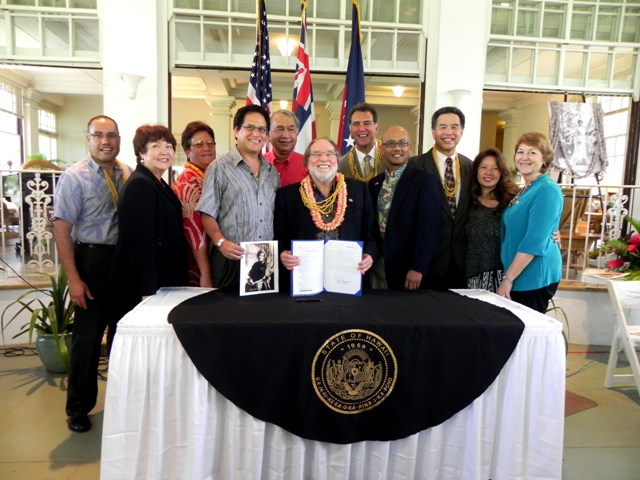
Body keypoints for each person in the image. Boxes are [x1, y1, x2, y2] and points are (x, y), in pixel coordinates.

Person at [53, 115, 133, 433]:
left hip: (122, 263)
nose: (105, 141)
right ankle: (78, 409)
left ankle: (121, 403)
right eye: (98, 135)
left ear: (119, 139)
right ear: (88, 139)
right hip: (91, 261)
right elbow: (62, 228)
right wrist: (74, 279)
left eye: (111, 135)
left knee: (121, 337)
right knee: (86, 341)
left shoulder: (127, 173)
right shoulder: (75, 177)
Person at [274, 137, 377, 290]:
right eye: (316, 154)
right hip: (305, 280)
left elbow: (371, 233)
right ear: (307, 162)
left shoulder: (359, 190)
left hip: (348, 279)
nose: (323, 158)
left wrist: (369, 254)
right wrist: (282, 253)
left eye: (329, 153)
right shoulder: (287, 196)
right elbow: (279, 236)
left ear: (337, 161)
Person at [197, 105, 281, 289]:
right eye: (250, 127)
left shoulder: (272, 172)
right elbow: (206, 213)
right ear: (236, 131)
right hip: (230, 258)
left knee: (264, 307)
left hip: (264, 259)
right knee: (227, 307)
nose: (256, 134)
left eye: (262, 129)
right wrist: (221, 242)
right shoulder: (219, 168)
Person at [112, 124, 188, 311]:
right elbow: (140, 244)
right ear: (141, 152)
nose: (164, 152)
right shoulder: (140, 184)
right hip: (147, 286)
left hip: (163, 279)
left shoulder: (156, 181)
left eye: (168, 146)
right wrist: (147, 292)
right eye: (156, 146)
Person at [368, 126, 441, 290]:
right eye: (390, 143)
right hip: (377, 266)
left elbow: (430, 229)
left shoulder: (425, 181)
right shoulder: (374, 184)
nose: (397, 148)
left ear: (409, 147)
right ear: (382, 149)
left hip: (409, 270)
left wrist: (418, 267)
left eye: (402, 143)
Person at [497, 132, 563, 313]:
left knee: (527, 328)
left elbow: (534, 241)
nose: (524, 157)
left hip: (534, 276)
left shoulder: (547, 189)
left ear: (544, 159)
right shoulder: (527, 188)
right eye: (520, 152)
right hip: (522, 274)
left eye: (532, 152)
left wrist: (508, 279)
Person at [410, 106, 473, 290]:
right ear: (433, 131)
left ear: (461, 132)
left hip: (462, 264)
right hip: (426, 264)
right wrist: (416, 264)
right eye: (443, 127)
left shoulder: (471, 167)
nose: (448, 132)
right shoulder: (415, 166)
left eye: (454, 127)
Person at [465, 148, 519, 292]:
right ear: (476, 171)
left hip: (504, 277)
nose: (489, 172)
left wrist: (554, 234)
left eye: (495, 168)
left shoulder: (513, 200)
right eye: (484, 167)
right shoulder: (466, 200)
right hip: (472, 275)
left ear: (501, 172)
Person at [172, 121, 216, 287]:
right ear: (187, 151)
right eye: (199, 144)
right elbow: (195, 234)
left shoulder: (206, 176)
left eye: (210, 143)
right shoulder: (189, 181)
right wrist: (206, 273)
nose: (206, 148)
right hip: (198, 265)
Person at [338, 102, 387, 182]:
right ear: (350, 130)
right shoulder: (341, 166)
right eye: (356, 124)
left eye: (367, 123)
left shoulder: (391, 158)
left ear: (376, 128)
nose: (361, 129)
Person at [264, 109, 308, 187]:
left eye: (291, 129)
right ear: (268, 135)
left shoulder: (307, 165)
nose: (286, 135)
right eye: (280, 129)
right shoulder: (258, 163)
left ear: (297, 134)